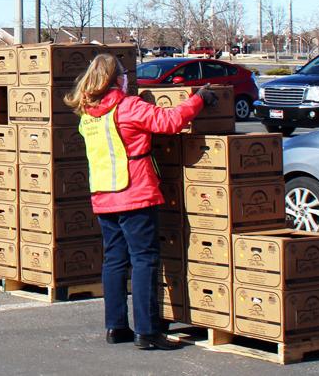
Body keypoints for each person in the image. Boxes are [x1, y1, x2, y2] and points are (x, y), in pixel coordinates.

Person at [63, 54, 218, 351]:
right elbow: (170, 121)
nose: (127, 78)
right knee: (145, 260)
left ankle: (116, 326)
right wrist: (198, 99)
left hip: (103, 196)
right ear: (115, 78)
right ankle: (147, 332)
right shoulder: (127, 107)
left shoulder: (88, 114)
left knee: (114, 261)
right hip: (135, 192)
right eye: (123, 74)